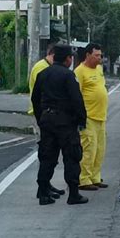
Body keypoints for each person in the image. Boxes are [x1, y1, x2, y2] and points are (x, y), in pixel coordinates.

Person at [31, 44, 88, 206]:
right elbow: (77, 100)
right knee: (71, 156)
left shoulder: (43, 74)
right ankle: (74, 194)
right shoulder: (68, 76)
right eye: (71, 57)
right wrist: (81, 120)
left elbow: (35, 99)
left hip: (47, 119)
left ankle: (43, 194)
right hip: (65, 122)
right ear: (68, 59)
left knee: (47, 157)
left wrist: (40, 117)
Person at [27, 44, 65, 200]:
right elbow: (40, 94)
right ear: (51, 55)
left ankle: (46, 184)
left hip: (48, 115)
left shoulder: (47, 67)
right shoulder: (41, 68)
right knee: (46, 153)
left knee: (51, 153)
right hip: (42, 115)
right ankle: (42, 187)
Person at [75, 43, 109, 191]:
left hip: (101, 116)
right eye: (96, 55)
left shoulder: (99, 70)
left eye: (100, 55)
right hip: (88, 117)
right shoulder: (80, 71)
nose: (99, 58)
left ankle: (95, 177)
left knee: (100, 150)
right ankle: (83, 179)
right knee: (89, 149)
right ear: (87, 55)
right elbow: (76, 94)